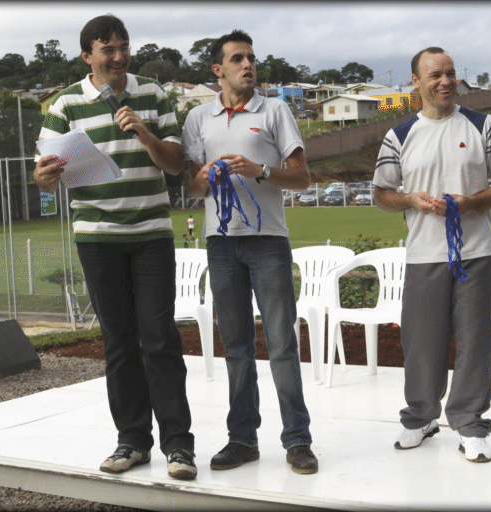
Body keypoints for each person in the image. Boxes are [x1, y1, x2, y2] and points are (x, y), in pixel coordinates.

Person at [32, 14, 196, 481]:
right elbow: (48, 177)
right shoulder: (64, 105)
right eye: (108, 49)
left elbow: (174, 164)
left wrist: (144, 134)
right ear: (88, 56)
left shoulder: (154, 95)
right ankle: (132, 442)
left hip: (150, 235)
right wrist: (43, 179)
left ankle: (179, 447)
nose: (119, 56)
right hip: (98, 238)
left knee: (161, 338)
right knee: (119, 343)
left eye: (124, 47)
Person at [372, 47, 491, 463]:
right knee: (421, 344)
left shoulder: (483, 125)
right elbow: (382, 195)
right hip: (423, 255)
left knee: (474, 343)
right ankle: (421, 417)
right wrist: (409, 200)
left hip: (475, 252)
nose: (445, 81)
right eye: (435, 74)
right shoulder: (398, 135)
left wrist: (470, 202)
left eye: (451, 73)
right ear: (415, 82)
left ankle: (470, 425)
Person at [182, 30, 318, 475]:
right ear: (218, 70)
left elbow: (302, 178)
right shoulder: (199, 118)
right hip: (220, 244)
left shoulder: (275, 110)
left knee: (282, 344)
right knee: (237, 347)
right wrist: (204, 176)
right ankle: (242, 439)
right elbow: (192, 186)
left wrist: (260, 170)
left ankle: (297, 440)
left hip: (268, 243)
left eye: (252, 59)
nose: (248, 66)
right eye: (237, 59)